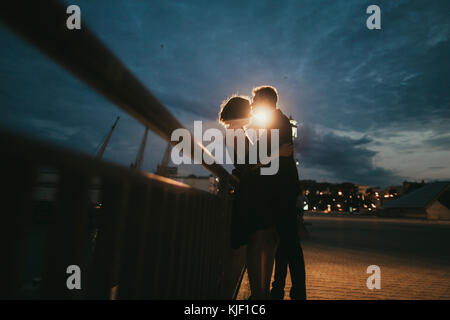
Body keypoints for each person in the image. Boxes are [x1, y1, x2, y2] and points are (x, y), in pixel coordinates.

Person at [218, 95, 292, 299]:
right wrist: (279, 154)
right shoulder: (234, 133)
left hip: (256, 192)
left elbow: (248, 164)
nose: (251, 113)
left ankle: (261, 291)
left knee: (265, 240)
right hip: (253, 193)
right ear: (240, 112)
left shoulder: (237, 132)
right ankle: (259, 293)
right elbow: (249, 165)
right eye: (248, 110)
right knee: (259, 241)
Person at [250, 85, 307, 300]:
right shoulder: (276, 121)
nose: (253, 104)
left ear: (265, 102)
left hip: (280, 190)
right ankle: (281, 289)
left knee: (289, 241)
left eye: (255, 101)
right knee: (285, 240)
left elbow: (264, 157)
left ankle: (296, 292)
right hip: (282, 189)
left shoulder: (276, 122)